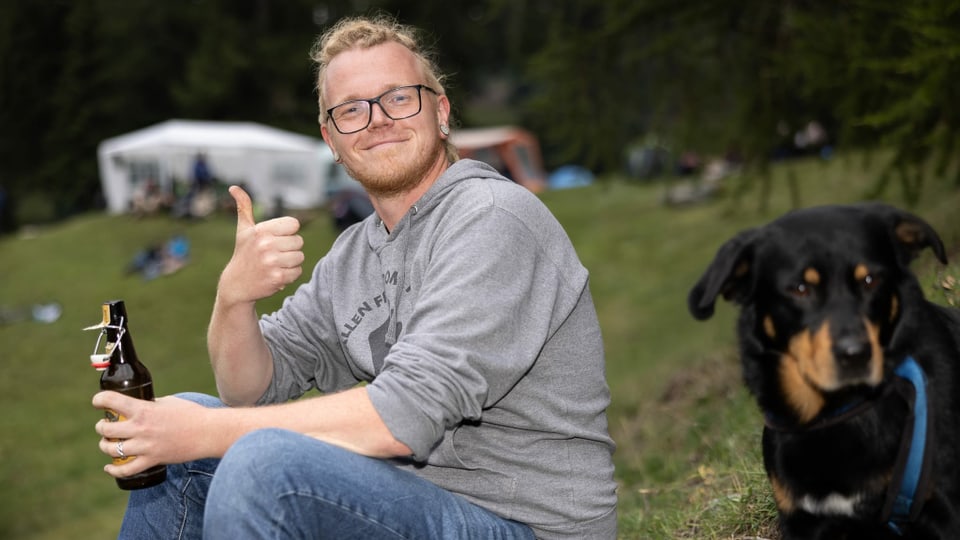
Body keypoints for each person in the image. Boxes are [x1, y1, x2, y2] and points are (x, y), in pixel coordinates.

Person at [92, 14, 617, 539]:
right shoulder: (353, 256)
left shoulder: (493, 217)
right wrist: (233, 298)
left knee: (259, 462)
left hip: (528, 527)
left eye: (398, 98)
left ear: (441, 111)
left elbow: (406, 413)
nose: (377, 120)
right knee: (192, 427)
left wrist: (203, 433)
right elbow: (249, 392)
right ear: (331, 139)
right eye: (351, 110)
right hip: (413, 507)